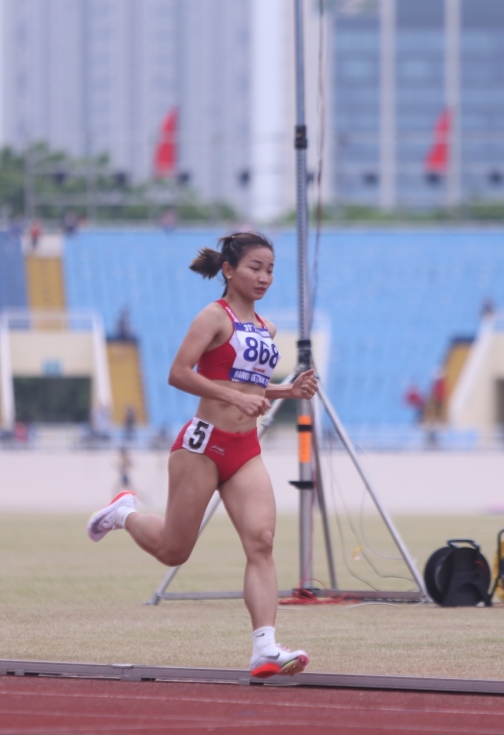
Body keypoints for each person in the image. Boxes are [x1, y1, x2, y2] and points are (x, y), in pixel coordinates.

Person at [86, 232, 319, 679]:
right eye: (255, 267)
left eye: (270, 269)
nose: (265, 277)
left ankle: (264, 647)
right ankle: (124, 513)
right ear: (229, 270)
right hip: (204, 444)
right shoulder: (214, 317)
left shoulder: (268, 329)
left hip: (244, 449)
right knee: (174, 551)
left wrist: (285, 391)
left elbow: (248, 387)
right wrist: (235, 398)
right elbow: (178, 373)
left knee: (262, 542)